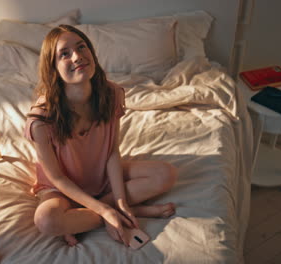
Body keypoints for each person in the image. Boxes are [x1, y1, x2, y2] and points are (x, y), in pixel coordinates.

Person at [24, 24, 177, 247]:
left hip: (101, 174)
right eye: (64, 54)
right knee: (46, 220)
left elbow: (113, 153)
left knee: (166, 175)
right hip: (63, 187)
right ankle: (119, 213)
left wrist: (121, 201)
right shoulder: (41, 120)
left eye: (82, 47)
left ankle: (97, 217)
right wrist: (104, 209)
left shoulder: (111, 94)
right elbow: (56, 178)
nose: (77, 57)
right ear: (53, 68)